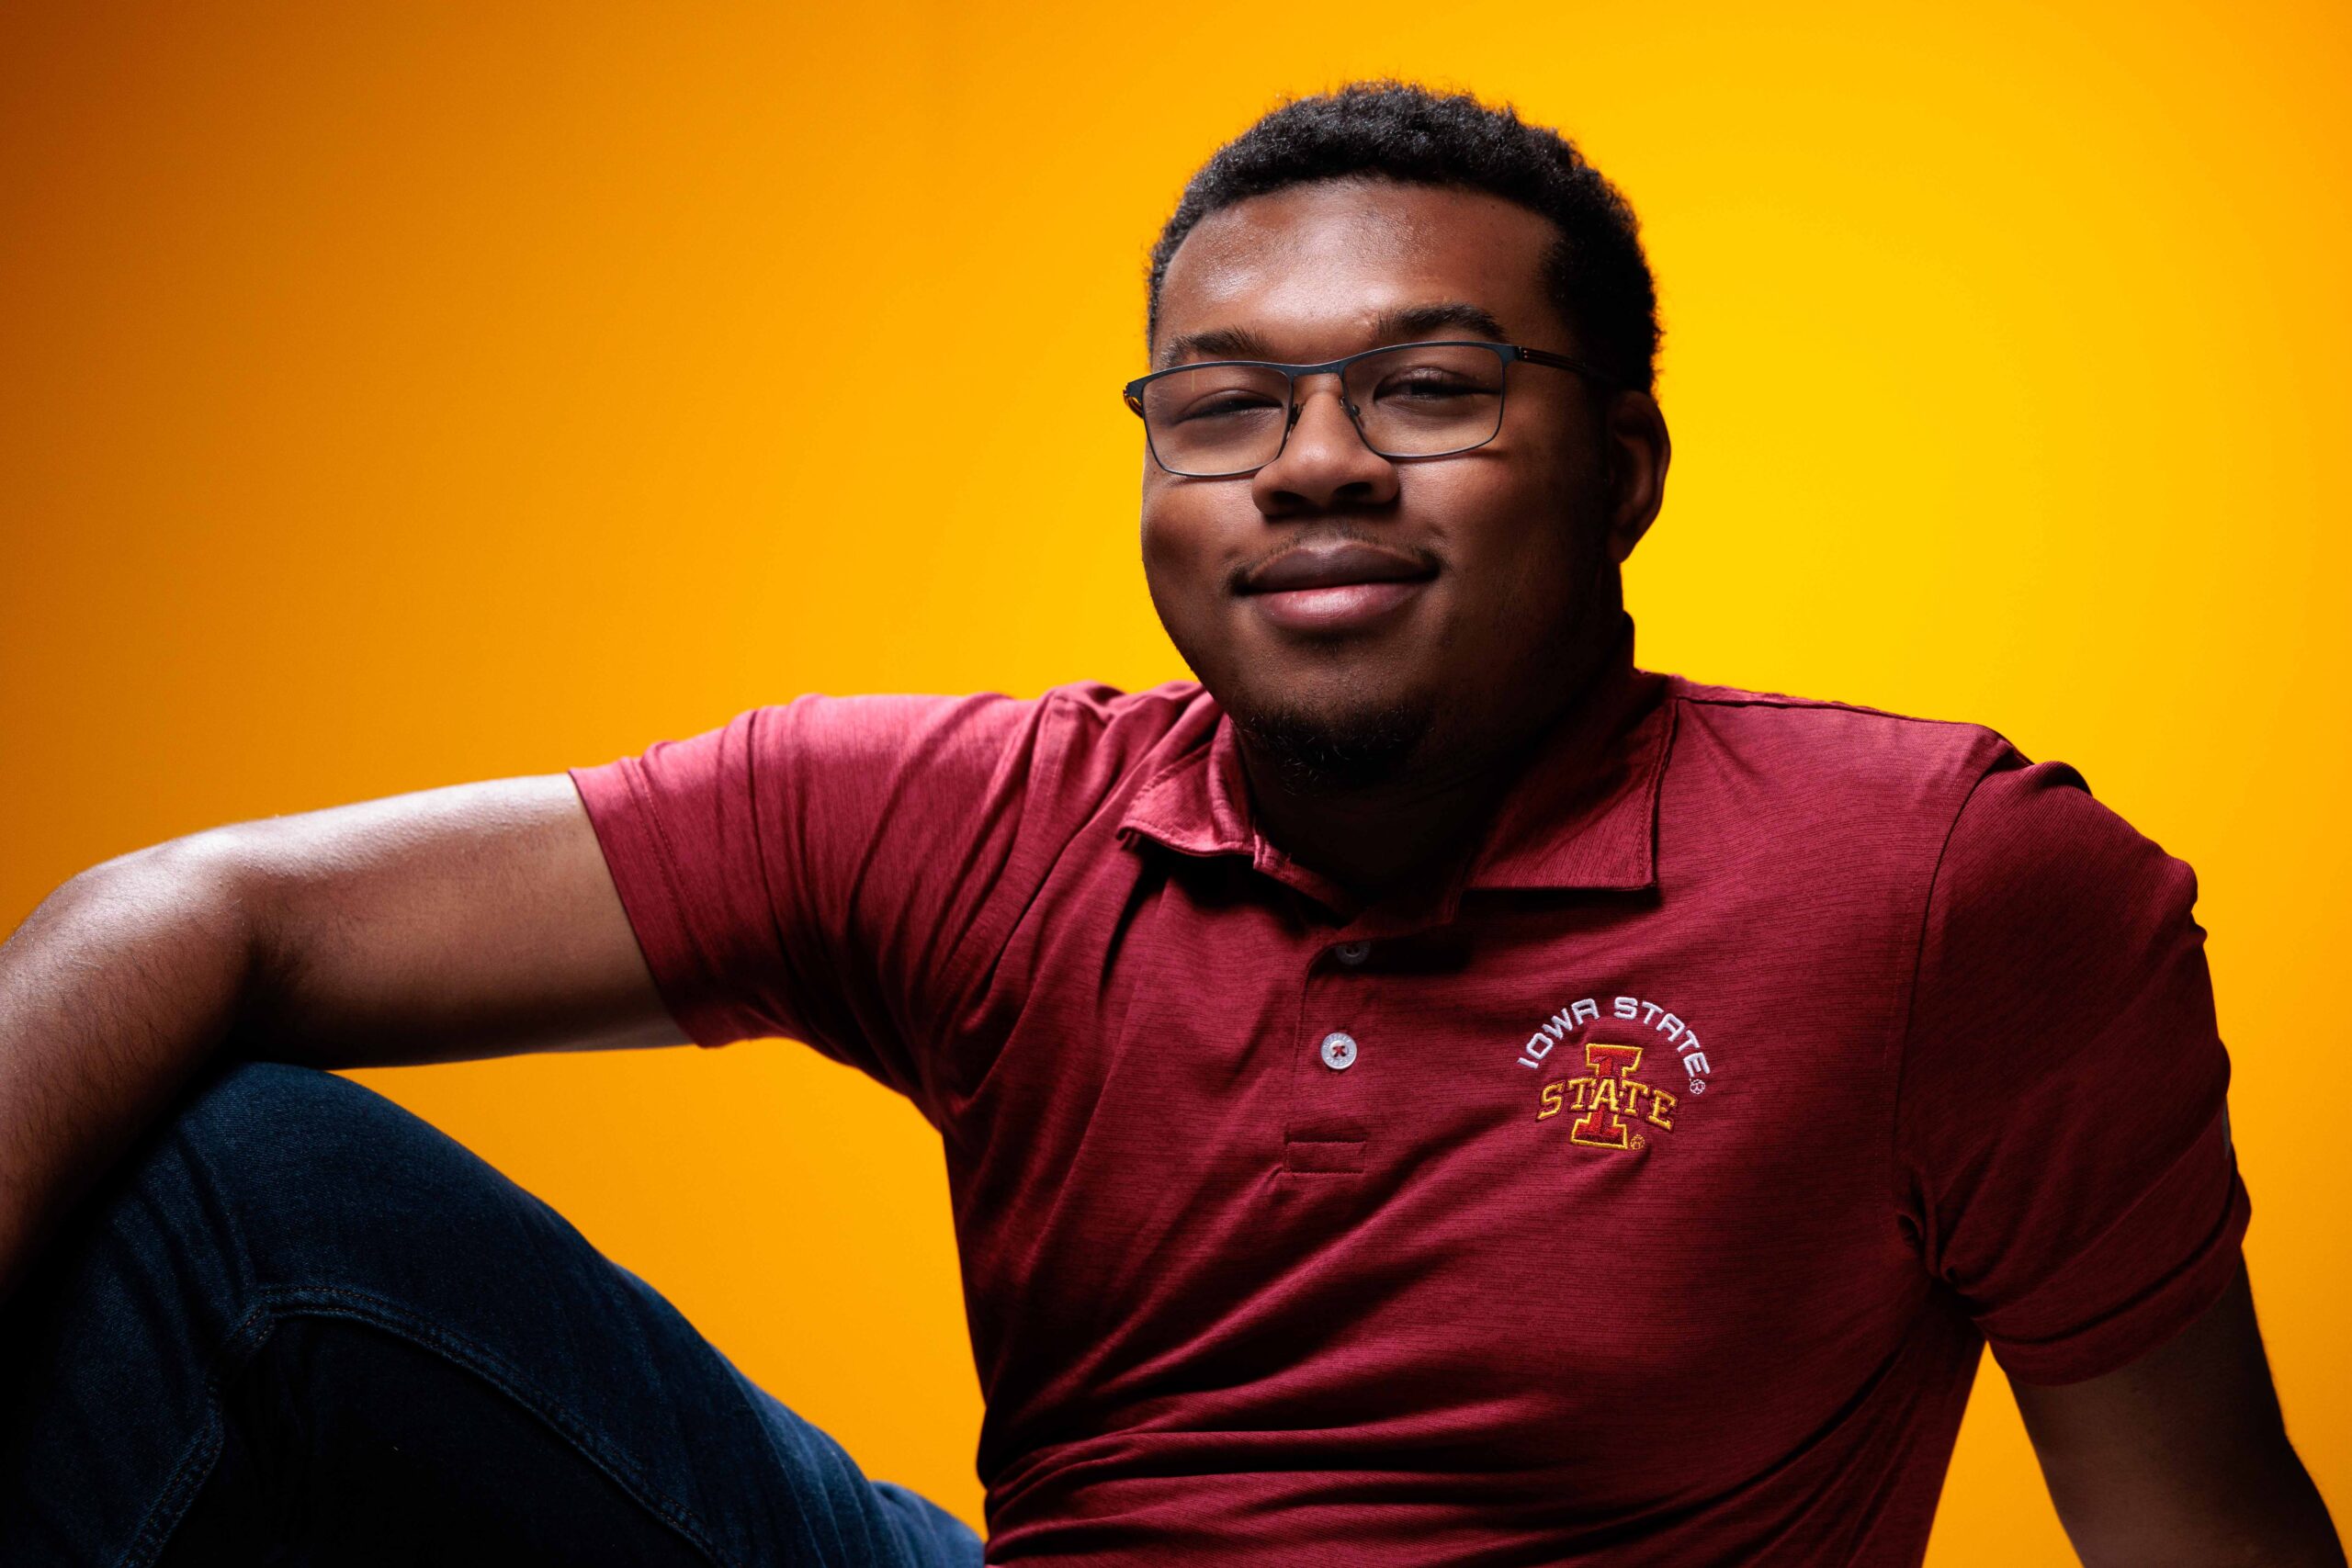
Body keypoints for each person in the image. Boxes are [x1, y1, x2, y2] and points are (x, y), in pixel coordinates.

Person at [0, 80, 2339, 1568]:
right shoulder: (976, 819)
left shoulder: (1944, 882)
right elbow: (190, 907)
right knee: (234, 1183)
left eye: (1428, 388)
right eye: (1222, 407)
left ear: (1623, 469)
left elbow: (2197, 1530)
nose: (1312, 459)